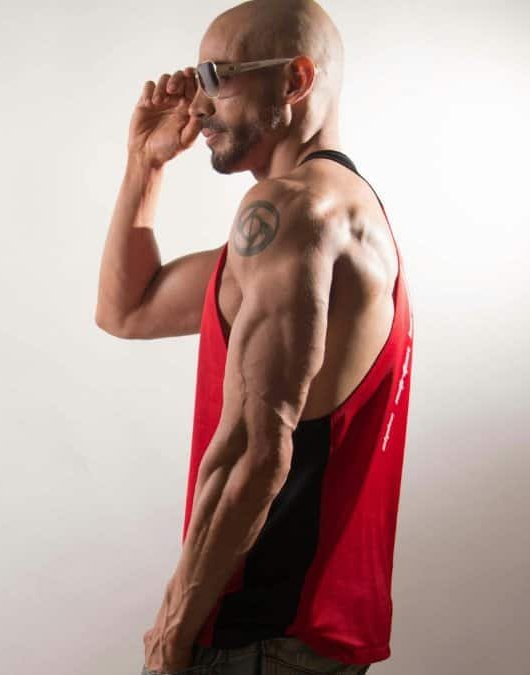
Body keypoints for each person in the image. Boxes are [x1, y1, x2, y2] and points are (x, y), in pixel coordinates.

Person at [95, 0, 414, 673]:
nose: (200, 104)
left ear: (295, 81)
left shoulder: (288, 210)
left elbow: (252, 452)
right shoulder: (325, 215)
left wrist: (170, 632)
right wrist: (143, 165)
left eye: (217, 77)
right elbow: (127, 309)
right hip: (300, 641)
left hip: (258, 639)